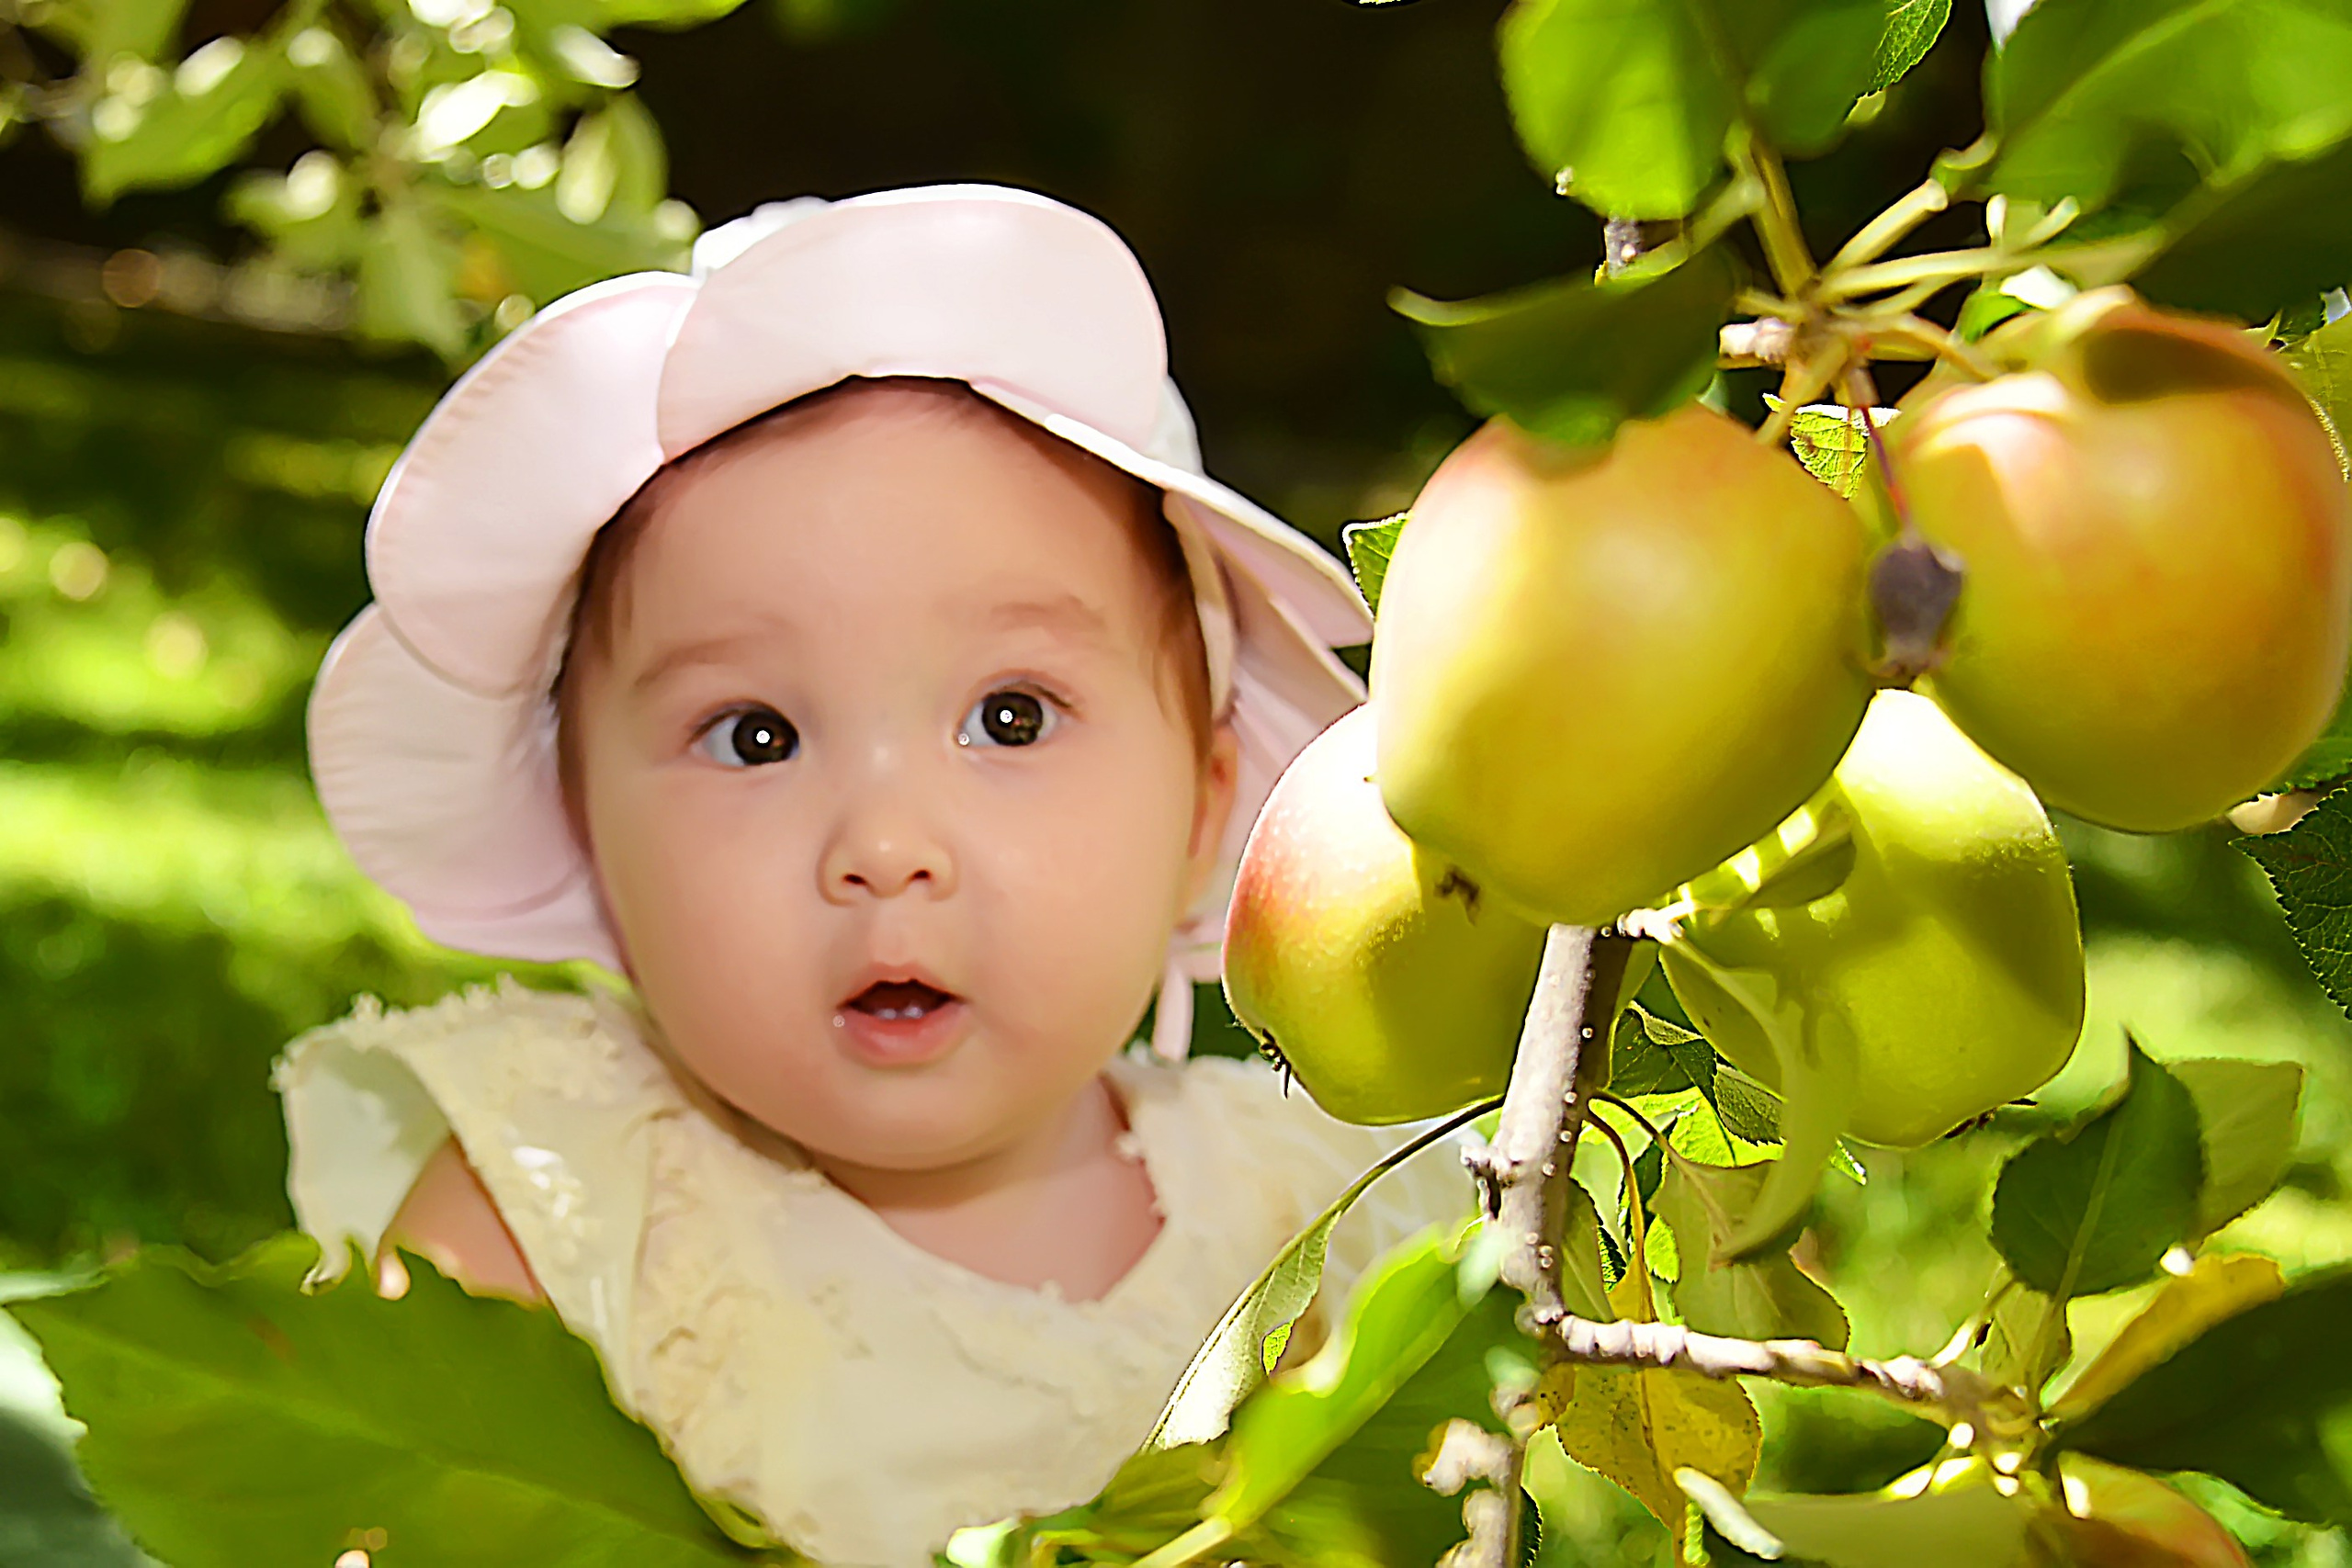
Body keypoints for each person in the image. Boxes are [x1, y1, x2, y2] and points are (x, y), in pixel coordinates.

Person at [270, 185, 1475, 1567]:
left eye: (1010, 719)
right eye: (757, 736)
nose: (885, 846)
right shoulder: (558, 1194)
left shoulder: (1313, 1220)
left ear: (1207, 812)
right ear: (589, 828)